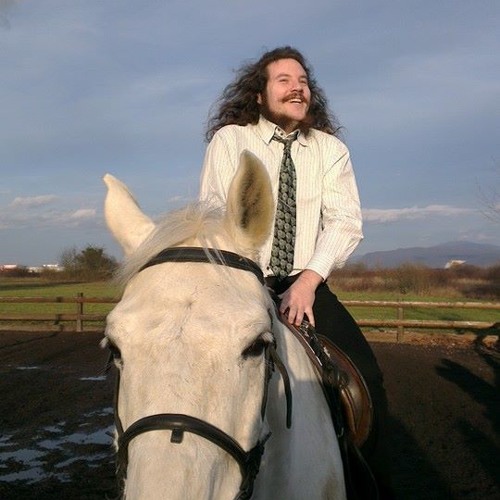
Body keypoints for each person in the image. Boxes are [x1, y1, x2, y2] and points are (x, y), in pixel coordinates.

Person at [199, 46, 392, 498]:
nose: (297, 88)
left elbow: (344, 223)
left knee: (369, 380)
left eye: (303, 81)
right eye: (284, 80)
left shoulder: (330, 150)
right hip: (241, 281)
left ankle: (370, 487)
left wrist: (307, 282)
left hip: (307, 282)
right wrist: (244, 284)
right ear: (259, 94)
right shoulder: (230, 140)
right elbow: (214, 214)